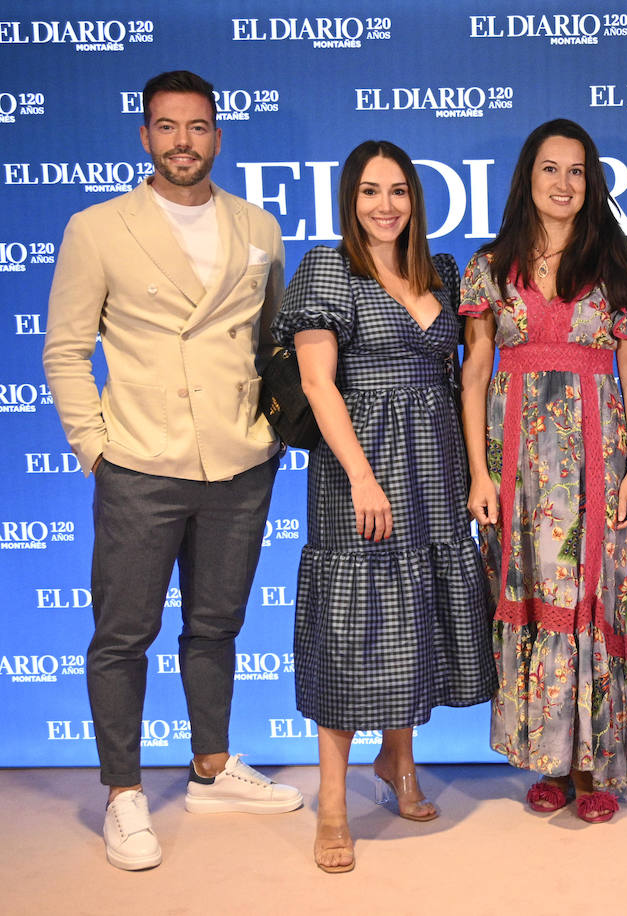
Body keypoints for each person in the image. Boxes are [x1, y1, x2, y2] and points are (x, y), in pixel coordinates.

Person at [42, 70, 301, 872]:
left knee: (216, 626)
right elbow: (65, 349)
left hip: (237, 462)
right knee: (123, 635)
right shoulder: (98, 227)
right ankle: (123, 792)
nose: (183, 141)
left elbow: (274, 344)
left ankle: (212, 766)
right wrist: (96, 447)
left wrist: (271, 430)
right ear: (145, 136)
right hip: (141, 462)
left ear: (218, 136)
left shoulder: (258, 226)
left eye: (197, 127)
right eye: (166, 127)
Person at [273, 141, 496, 872]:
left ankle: (398, 762)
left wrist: (476, 471)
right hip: (358, 467)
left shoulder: (443, 271)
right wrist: (364, 479)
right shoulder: (327, 267)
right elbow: (316, 384)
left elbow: (463, 379)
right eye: (370, 191)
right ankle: (332, 804)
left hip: (435, 461)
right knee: (354, 628)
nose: (385, 205)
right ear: (350, 199)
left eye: (398, 190)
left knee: (418, 613)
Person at [459, 119, 627, 824]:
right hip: (513, 462)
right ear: (528, 176)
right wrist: (480, 475)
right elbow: (475, 373)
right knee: (525, 598)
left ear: (591, 183)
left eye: (577, 171)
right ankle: (546, 757)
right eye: (551, 168)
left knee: (589, 598)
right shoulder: (490, 265)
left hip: (596, 465)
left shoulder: (616, 265)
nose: (563, 183)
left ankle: (591, 764)